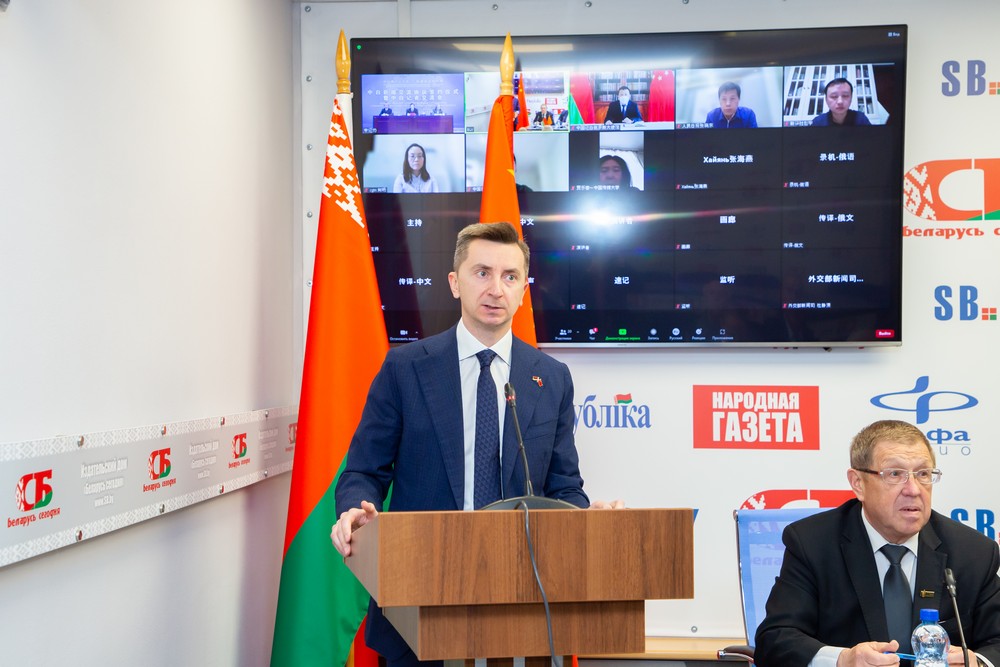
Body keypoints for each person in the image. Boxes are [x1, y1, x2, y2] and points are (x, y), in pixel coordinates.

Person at [332, 221, 623, 667]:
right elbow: (363, 471)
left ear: (523, 291)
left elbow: (563, 486)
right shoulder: (406, 368)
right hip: (419, 596)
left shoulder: (551, 377)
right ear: (455, 283)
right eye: (482, 273)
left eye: (510, 276)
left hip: (523, 602)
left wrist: (586, 521)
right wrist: (356, 509)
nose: (495, 289)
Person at [754, 420, 1000, 667]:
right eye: (895, 474)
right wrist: (842, 660)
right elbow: (776, 640)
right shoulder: (812, 543)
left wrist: (977, 662)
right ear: (858, 483)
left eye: (923, 474)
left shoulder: (973, 552)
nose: (913, 489)